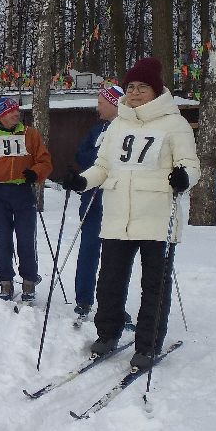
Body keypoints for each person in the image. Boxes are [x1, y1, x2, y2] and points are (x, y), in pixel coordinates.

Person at [62, 57, 199, 370]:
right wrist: (82, 181)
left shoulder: (174, 123)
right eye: (131, 87)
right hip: (117, 215)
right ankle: (107, 333)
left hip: (157, 215)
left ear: (156, 89)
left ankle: (148, 344)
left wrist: (184, 177)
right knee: (109, 280)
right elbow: (104, 166)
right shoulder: (119, 123)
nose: (136, 93)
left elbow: (191, 166)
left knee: (154, 285)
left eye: (142, 87)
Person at [0, 96, 52, 302]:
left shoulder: (30, 134)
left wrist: (36, 172)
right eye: (11, 111)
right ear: (1, 115)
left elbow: (45, 161)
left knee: (25, 238)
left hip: (23, 192)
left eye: (17, 110)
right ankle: (5, 281)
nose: (16, 114)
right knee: (2, 238)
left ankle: (29, 281)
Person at [71, 85, 123, 322]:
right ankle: (83, 300)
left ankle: (113, 306)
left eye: (101, 103)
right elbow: (82, 156)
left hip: (119, 199)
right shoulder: (96, 130)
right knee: (89, 249)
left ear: (114, 104)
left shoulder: (128, 129)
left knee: (116, 256)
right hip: (93, 197)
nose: (97, 107)